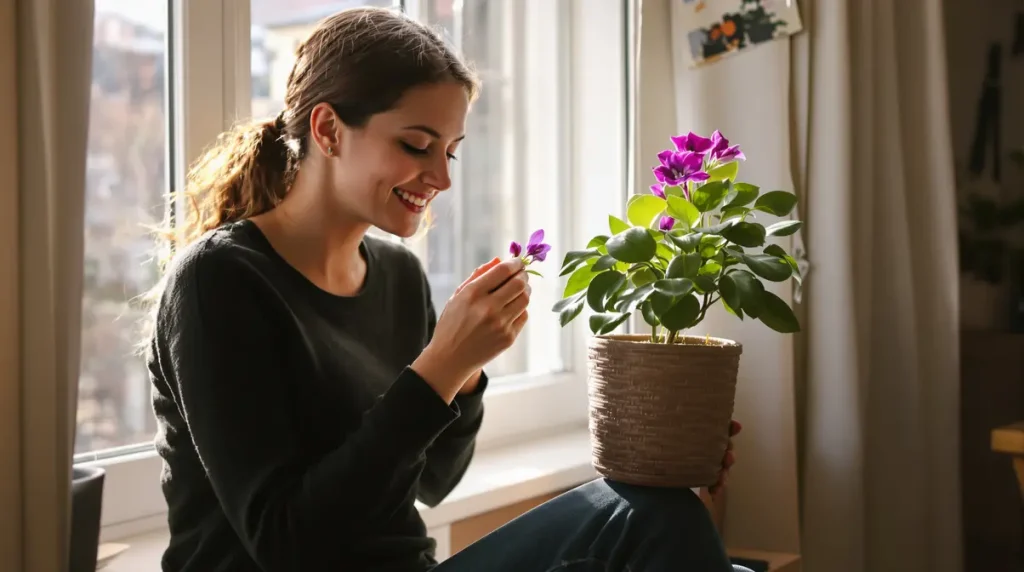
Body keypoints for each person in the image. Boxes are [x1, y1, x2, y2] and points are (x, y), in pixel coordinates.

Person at [146, 6, 749, 572]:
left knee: (661, 508)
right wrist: (442, 364)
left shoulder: (398, 277)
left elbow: (431, 479)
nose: (439, 178)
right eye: (416, 145)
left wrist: (466, 374)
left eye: (451, 153)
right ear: (327, 129)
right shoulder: (218, 281)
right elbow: (287, 542)